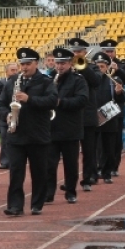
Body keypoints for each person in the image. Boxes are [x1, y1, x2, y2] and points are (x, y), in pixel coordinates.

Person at [0, 48, 58, 216]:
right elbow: (1, 104)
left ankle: (37, 204)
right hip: (16, 135)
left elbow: (52, 101)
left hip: (37, 134)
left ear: (36, 63)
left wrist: (29, 99)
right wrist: (7, 116)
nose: (24, 67)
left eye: (28, 64)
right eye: (22, 64)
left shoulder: (46, 82)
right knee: (16, 172)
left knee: (39, 172)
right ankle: (15, 206)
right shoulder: (12, 82)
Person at [46, 47, 88, 204]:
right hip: (52, 127)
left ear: (70, 63)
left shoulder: (78, 80)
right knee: (49, 164)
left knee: (71, 164)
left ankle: (71, 191)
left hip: (70, 128)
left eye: (63, 63)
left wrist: (60, 102)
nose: (59, 66)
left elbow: (82, 100)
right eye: (57, 63)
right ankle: (49, 193)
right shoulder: (50, 79)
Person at [68, 38, 101, 192]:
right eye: (74, 52)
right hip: (72, 115)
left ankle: (87, 178)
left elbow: (96, 82)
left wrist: (83, 66)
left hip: (87, 114)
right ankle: (71, 181)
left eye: (79, 52)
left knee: (88, 150)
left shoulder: (92, 67)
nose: (76, 54)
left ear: (85, 52)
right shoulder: (68, 68)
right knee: (71, 152)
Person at [92, 52, 125, 183]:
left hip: (109, 117)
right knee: (94, 148)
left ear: (107, 67)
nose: (100, 69)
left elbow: (122, 99)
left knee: (109, 147)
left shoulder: (114, 81)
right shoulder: (91, 82)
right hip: (94, 117)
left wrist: (119, 93)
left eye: (102, 66)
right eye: (98, 66)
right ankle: (94, 173)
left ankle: (107, 173)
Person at [0, 62, 19, 169]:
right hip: (5, 117)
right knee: (4, 139)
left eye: (16, 70)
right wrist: (6, 114)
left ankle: (15, 161)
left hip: (18, 116)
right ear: (6, 72)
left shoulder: (20, 82)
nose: (15, 72)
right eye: (12, 70)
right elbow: (0, 102)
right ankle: (5, 162)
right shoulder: (1, 83)